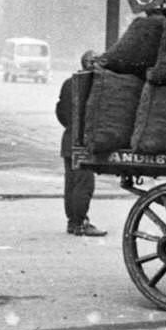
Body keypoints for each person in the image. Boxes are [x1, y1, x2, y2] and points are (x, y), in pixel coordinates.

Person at [55, 51, 108, 237]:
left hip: (69, 140)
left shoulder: (69, 83)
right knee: (84, 184)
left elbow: (60, 111)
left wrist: (71, 127)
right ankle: (80, 224)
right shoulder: (93, 85)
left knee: (71, 184)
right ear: (90, 63)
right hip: (82, 143)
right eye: (95, 61)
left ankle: (72, 223)